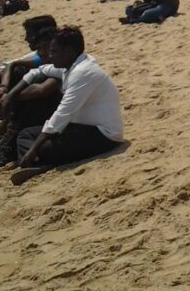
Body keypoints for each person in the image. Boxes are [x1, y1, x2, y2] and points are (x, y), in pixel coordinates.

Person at [11, 27, 124, 185]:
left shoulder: (83, 72)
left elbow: (62, 113)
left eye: (54, 52)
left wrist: (34, 149)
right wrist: (10, 95)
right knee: (25, 135)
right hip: (80, 127)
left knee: (40, 147)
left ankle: (40, 162)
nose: (50, 56)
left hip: (103, 134)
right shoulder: (70, 66)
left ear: (69, 52)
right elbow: (39, 70)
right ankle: (39, 162)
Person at [0, 26, 63, 170]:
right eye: (40, 48)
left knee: (31, 93)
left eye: (47, 47)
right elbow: (12, 66)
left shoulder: (63, 64)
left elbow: (43, 89)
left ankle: (11, 140)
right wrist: (3, 88)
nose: (43, 52)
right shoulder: (44, 61)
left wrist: (10, 98)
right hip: (53, 111)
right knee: (20, 74)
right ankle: (9, 134)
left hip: (64, 116)